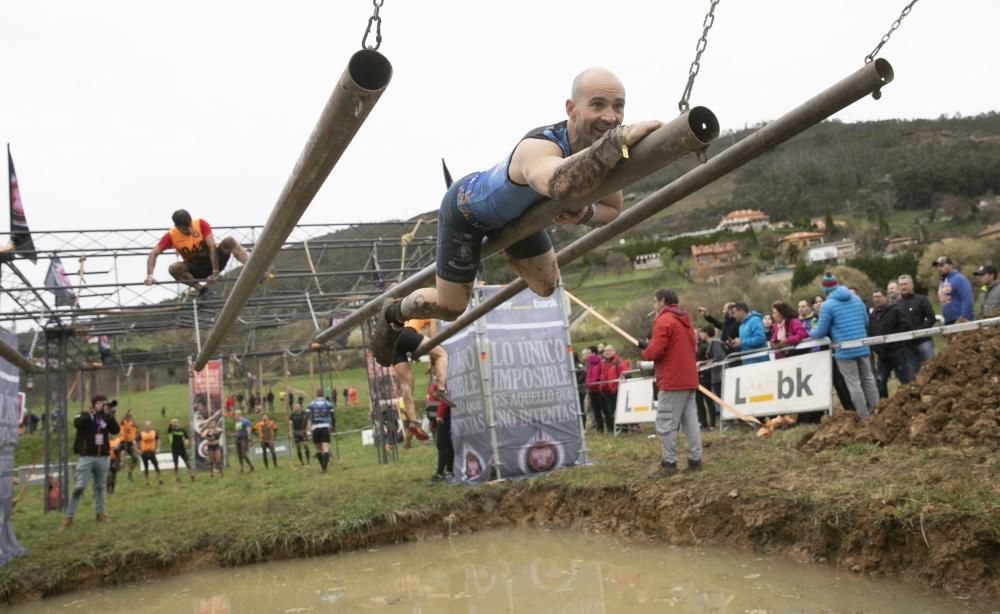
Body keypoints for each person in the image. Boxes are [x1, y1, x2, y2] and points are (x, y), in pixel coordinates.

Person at [369, 68, 662, 366]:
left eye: (618, 106)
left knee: (547, 286)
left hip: (518, 220)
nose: (610, 117)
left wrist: (585, 212)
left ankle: (510, 247)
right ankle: (394, 312)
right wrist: (617, 142)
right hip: (466, 211)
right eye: (597, 104)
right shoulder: (540, 146)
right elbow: (561, 183)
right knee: (452, 306)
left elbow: (612, 209)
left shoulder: (605, 154)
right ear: (571, 110)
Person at [638, 289, 702, 476]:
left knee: (666, 422)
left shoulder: (664, 320)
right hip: (689, 377)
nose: (653, 305)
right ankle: (695, 460)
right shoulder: (685, 320)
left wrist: (646, 350)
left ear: (663, 301)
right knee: (691, 422)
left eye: (655, 301)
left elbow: (654, 352)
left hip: (672, 379)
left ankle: (669, 463)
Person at [809, 273, 879, 419]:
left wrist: (811, 332)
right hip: (862, 345)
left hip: (844, 349)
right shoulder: (857, 299)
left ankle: (864, 416)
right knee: (868, 379)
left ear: (825, 289)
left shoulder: (827, 305)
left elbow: (821, 331)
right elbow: (866, 321)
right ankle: (877, 411)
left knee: (854, 384)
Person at [144, 209, 252, 297]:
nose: (190, 230)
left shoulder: (201, 224)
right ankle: (203, 290)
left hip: (215, 261)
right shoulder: (171, 236)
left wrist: (215, 272)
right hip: (197, 267)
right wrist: (150, 275)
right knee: (174, 268)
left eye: (190, 225)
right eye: (186, 228)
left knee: (229, 241)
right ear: (177, 227)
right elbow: (153, 253)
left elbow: (212, 247)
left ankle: (252, 266)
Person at [60, 394, 120, 530]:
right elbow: (78, 424)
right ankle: (68, 518)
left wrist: (109, 415)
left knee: (100, 487)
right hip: (87, 457)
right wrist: (91, 413)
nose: (102, 405)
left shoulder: (106, 417)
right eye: (99, 403)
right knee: (79, 487)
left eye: (104, 403)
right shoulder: (83, 415)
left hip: (103, 457)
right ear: (93, 404)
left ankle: (100, 514)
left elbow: (116, 430)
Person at [390, 318, 448, 447]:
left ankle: (413, 422)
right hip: (408, 334)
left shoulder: (402, 308)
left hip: (393, 342)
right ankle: (441, 389)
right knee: (442, 354)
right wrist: (433, 362)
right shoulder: (429, 313)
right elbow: (433, 339)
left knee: (407, 384)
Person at [868, 288, 912, 398]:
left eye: (878, 296)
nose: (876, 299)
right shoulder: (872, 314)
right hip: (882, 354)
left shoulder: (895, 310)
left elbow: (905, 326)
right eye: (874, 297)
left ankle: (911, 401)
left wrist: (894, 340)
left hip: (897, 351)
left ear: (885, 297)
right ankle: (884, 404)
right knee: (880, 381)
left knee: (905, 379)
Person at [896, 274, 937, 375]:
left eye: (905, 284)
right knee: (914, 372)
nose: (903, 287)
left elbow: (931, 317)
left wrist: (922, 331)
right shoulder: (897, 304)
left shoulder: (921, 299)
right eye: (901, 285)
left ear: (911, 285)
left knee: (932, 367)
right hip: (908, 344)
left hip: (924, 341)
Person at [934, 255, 974, 324]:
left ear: (951, 265)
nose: (939, 268)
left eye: (942, 265)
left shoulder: (959, 278)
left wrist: (964, 318)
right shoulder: (942, 282)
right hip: (948, 320)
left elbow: (967, 299)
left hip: (960, 320)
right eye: (937, 266)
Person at [600, 345, 629, 433]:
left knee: (619, 410)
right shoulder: (604, 362)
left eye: (609, 350)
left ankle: (624, 429)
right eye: (605, 351)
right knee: (611, 411)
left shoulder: (619, 361)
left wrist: (618, 385)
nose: (607, 352)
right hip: (606, 390)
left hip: (617, 390)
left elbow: (626, 374)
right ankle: (615, 428)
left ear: (614, 351)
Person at [307, 388, 335, 473]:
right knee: (326, 448)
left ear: (316, 394)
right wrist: (333, 426)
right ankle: (325, 467)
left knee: (318, 449)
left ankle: (322, 466)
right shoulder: (328, 403)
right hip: (325, 426)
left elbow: (306, 417)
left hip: (315, 428)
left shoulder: (311, 404)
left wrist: (306, 428)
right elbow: (333, 416)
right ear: (323, 394)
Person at [432, 392, 455, 482]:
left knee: (442, 445)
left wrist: (440, 414)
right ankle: (448, 470)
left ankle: (440, 472)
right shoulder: (435, 381)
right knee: (447, 444)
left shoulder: (443, 381)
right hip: (440, 415)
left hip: (444, 416)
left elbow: (445, 396)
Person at [584, 345, 606, 432]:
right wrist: (588, 383)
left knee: (604, 408)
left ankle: (609, 425)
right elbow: (588, 374)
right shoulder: (588, 363)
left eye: (588, 353)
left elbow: (601, 373)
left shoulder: (600, 362)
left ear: (593, 353)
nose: (587, 354)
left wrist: (597, 381)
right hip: (591, 389)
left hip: (598, 388)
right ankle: (599, 428)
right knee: (595, 409)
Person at [137, 421, 162, 485]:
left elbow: (158, 439)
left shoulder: (154, 432)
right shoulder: (141, 434)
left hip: (152, 452)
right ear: (144, 426)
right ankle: (147, 481)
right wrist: (137, 450)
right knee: (146, 467)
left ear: (150, 426)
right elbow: (134, 441)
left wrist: (158, 448)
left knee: (156, 465)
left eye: (149, 425)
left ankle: (159, 479)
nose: (148, 427)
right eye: (146, 425)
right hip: (144, 452)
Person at [117, 410, 139, 481]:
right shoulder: (123, 422)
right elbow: (121, 421)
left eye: (131, 416)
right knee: (115, 450)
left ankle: (130, 472)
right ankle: (117, 465)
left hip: (130, 443)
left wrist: (132, 418)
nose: (130, 417)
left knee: (135, 458)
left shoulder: (133, 423)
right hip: (122, 442)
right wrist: (126, 414)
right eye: (129, 416)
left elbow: (136, 424)